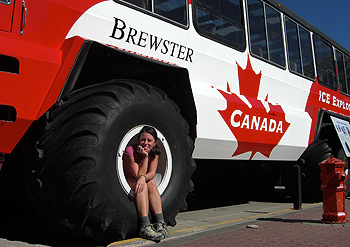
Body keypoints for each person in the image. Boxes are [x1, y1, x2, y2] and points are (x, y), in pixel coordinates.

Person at [123, 126, 168, 241]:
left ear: (155, 143)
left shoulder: (155, 152)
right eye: (143, 140)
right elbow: (137, 174)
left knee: (151, 183)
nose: (145, 143)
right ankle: (145, 226)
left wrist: (143, 177)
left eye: (149, 140)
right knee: (142, 186)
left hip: (140, 177)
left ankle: (160, 222)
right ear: (138, 140)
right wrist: (145, 157)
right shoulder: (130, 151)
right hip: (130, 177)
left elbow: (152, 173)